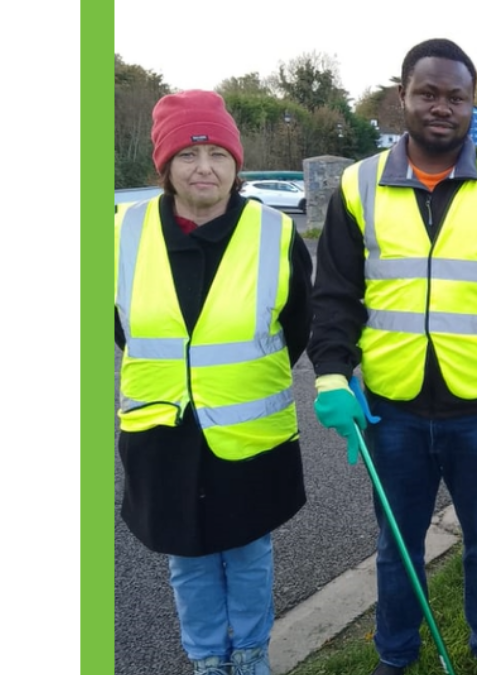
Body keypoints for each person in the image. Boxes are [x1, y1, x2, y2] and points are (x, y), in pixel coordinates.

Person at [307, 38, 477, 675]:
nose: (442, 107)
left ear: (474, 105)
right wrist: (332, 374)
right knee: (397, 546)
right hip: (389, 413)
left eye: (457, 96)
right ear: (403, 97)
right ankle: (395, 656)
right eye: (428, 93)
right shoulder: (358, 187)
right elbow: (334, 294)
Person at [114, 89, 312, 675]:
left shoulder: (274, 233)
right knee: (189, 559)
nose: (205, 168)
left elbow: (296, 325)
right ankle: (206, 660)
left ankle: (250, 655)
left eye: (218, 154)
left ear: (236, 163)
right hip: (164, 430)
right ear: (166, 166)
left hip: (247, 429)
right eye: (188, 155)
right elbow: (119, 324)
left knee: (249, 552)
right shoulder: (123, 232)